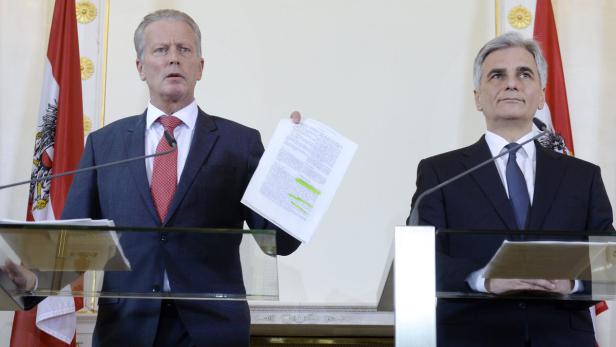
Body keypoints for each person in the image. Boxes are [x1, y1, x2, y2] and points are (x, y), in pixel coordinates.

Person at [61, 9, 301, 347]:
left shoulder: (239, 143)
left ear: (200, 67)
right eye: (161, 50)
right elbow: (68, 246)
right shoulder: (105, 145)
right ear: (140, 67)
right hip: (126, 330)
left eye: (184, 50)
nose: (173, 58)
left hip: (212, 331)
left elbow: (281, 240)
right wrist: (25, 276)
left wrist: (289, 165)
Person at [411, 32, 614, 346]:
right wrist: (485, 280)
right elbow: (421, 261)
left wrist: (571, 283)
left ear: (541, 94)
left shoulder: (582, 176)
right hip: (473, 338)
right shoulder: (440, 173)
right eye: (497, 75)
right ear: (477, 96)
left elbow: (610, 261)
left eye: (524, 73)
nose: (511, 83)